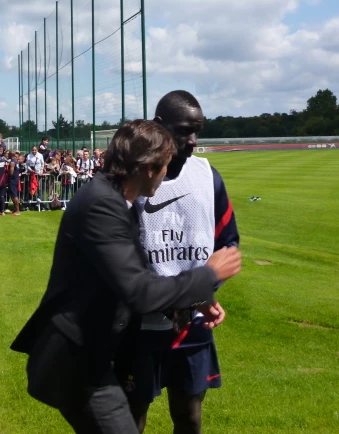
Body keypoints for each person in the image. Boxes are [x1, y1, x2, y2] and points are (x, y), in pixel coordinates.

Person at [11, 120, 242, 434]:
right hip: (74, 362)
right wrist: (208, 274)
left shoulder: (117, 200)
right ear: (148, 169)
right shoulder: (102, 207)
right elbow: (138, 291)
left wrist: (193, 299)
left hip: (93, 357)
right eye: (165, 168)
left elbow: (128, 281)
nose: (168, 176)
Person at [113, 91, 240, 434]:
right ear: (159, 126)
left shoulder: (207, 176)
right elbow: (118, 259)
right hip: (138, 328)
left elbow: (228, 245)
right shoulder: (132, 181)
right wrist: (176, 299)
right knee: (131, 419)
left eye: (197, 131)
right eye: (184, 131)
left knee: (189, 416)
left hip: (192, 324)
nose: (192, 142)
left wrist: (202, 295)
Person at [7, 150, 21, 216]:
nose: (7, 155)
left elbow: (11, 172)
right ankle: (15, 209)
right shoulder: (16, 161)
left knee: (14, 195)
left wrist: (7, 171)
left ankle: (18, 211)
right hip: (15, 179)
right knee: (13, 195)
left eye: (8, 154)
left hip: (12, 180)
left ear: (11, 155)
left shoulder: (12, 162)